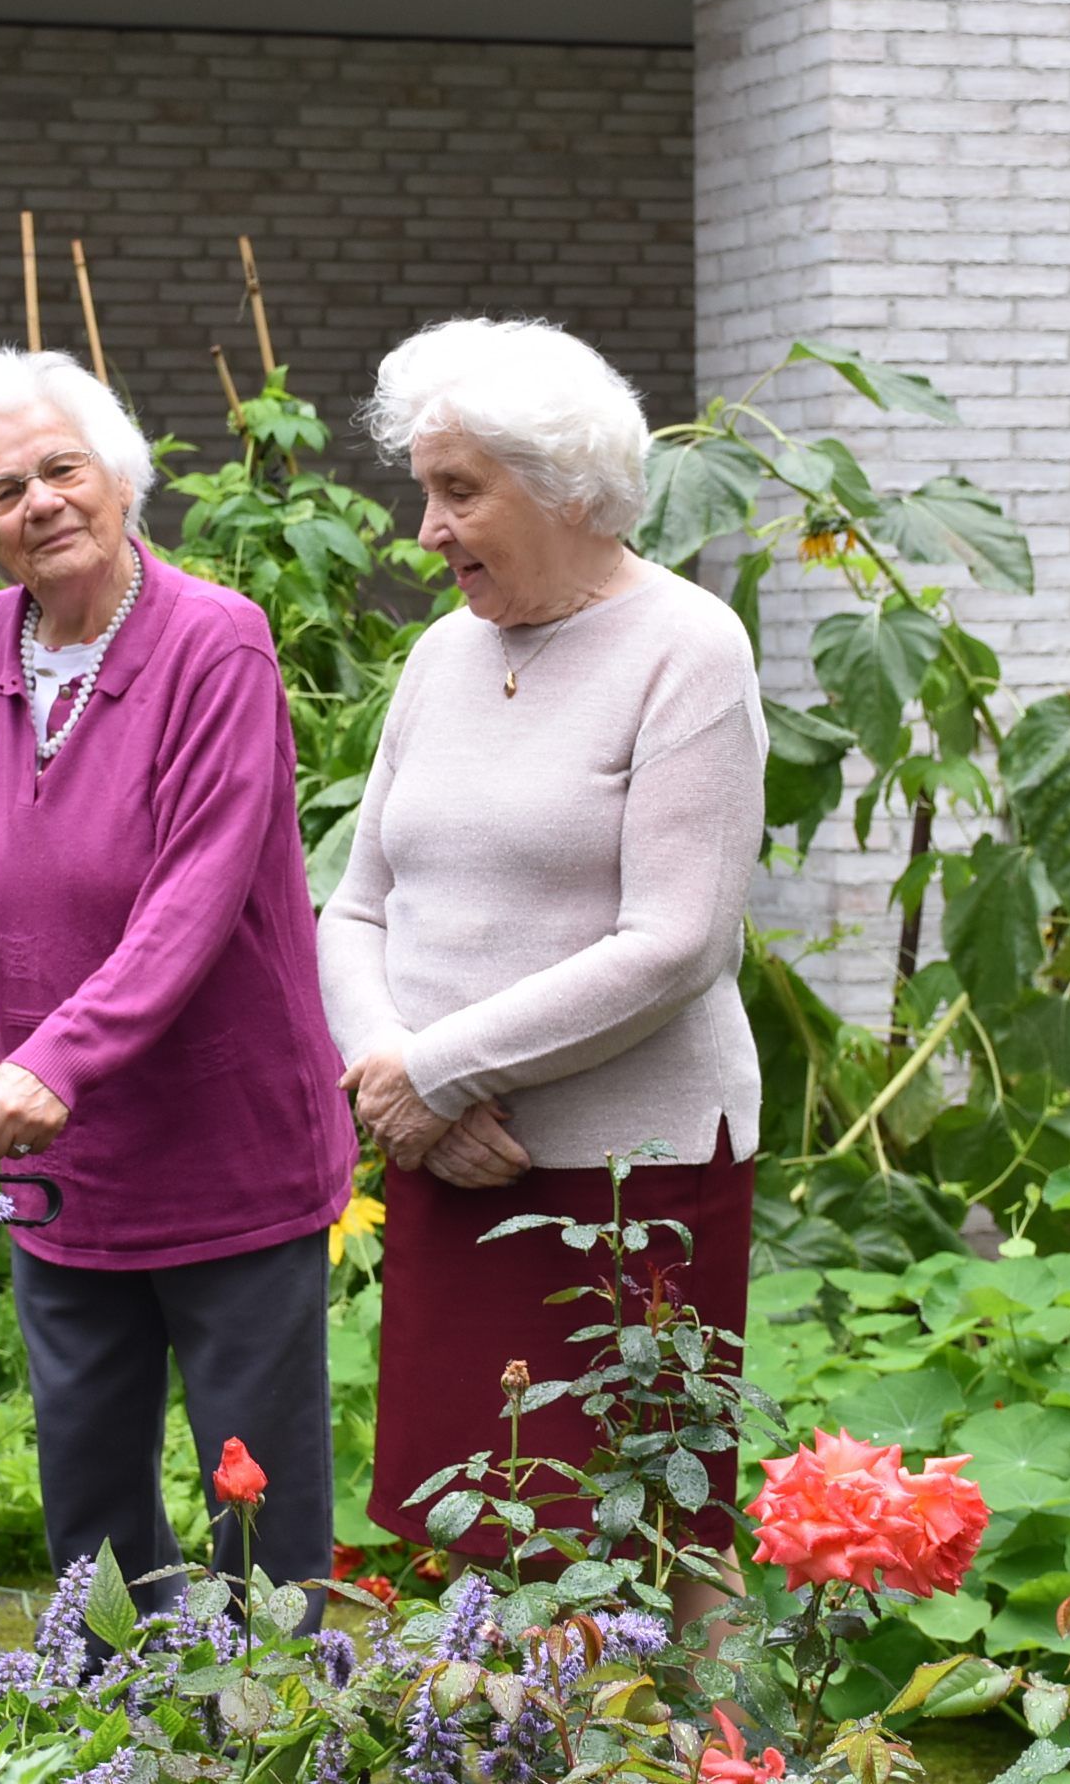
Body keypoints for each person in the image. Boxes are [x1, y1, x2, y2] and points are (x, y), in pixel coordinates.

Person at [0, 347, 353, 1616]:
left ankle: (272, 1730)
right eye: (4, 491)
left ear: (116, 473)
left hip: (225, 1147)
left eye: (61, 468)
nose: (42, 502)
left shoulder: (213, 643)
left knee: (257, 1514)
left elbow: (193, 897)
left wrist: (48, 1062)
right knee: (91, 1512)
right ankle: (118, 1728)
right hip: (64, 1165)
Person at [316, 318, 765, 1622]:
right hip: (454, 1164)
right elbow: (353, 912)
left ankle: (690, 1757)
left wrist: (436, 1075)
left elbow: (676, 941)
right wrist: (401, 1091)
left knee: (644, 1526)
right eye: (424, 489)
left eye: (458, 491)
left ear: (567, 490)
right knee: (472, 1516)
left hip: (629, 1182)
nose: (424, 528)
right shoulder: (437, 658)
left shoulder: (688, 648)